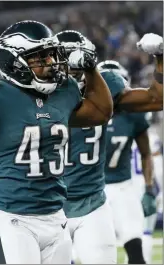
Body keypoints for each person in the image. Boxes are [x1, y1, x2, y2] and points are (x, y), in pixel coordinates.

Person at [0, 20, 113, 264]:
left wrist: (91, 70)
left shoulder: (64, 90)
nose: (50, 62)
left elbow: (101, 113)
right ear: (15, 62)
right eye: (40, 57)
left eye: (50, 54)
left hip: (56, 215)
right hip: (14, 218)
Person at [54, 30, 163, 264]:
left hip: (92, 201)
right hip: (48, 204)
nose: (72, 69)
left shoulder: (106, 85)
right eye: (67, 61)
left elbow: (156, 99)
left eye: (78, 60)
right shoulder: (34, 93)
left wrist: (161, 57)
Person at [131, 121, 163, 263]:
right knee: (147, 231)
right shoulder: (151, 137)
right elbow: (158, 167)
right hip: (146, 186)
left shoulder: (128, 133)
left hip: (128, 188)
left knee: (131, 235)